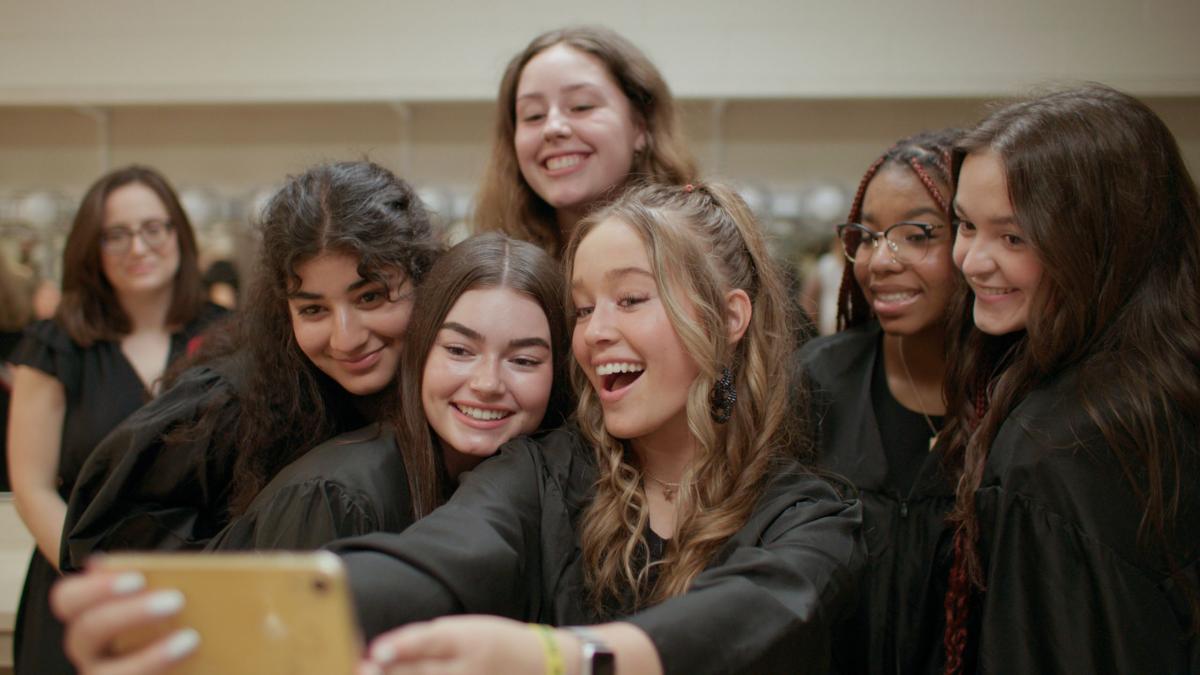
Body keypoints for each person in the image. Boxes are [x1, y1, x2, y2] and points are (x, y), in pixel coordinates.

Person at [53, 182, 863, 674]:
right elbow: (433, 559)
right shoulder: (550, 473)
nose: (597, 331)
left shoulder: (811, 513)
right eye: (584, 308)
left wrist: (564, 658)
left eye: (630, 298)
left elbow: (754, 612)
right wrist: (214, 616)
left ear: (728, 317)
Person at [61, 160, 439, 569]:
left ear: (423, 280)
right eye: (313, 310)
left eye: (370, 297)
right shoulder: (230, 403)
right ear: (284, 310)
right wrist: (258, 552)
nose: (345, 338)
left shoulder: (447, 384)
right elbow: (104, 537)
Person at [939, 85, 1200, 673]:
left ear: (1103, 241)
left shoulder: (1060, 446)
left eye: (1013, 237)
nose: (972, 260)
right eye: (965, 225)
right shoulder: (1162, 380)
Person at [206, 232, 572, 550]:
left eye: (523, 360)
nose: (487, 383)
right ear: (419, 352)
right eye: (459, 351)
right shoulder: (335, 498)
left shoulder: (551, 490)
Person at [5, 165, 226, 674]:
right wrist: (96, 577)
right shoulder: (54, 345)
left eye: (153, 228)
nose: (138, 247)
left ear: (178, 233)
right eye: (116, 235)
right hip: (79, 588)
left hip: (196, 586)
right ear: (92, 248)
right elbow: (32, 487)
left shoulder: (228, 337)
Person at [799, 130, 962, 674]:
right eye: (867, 237)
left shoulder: (1023, 402)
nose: (880, 260)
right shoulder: (818, 378)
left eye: (917, 235)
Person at [474, 26, 697, 257]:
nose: (552, 127)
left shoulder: (703, 259)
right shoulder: (497, 269)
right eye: (534, 115)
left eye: (582, 106)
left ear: (640, 126)